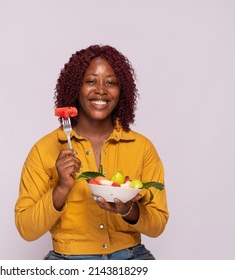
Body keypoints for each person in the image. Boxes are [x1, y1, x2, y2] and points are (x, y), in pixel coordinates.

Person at [14, 45, 168, 260]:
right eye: (91, 81)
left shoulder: (142, 147)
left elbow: (157, 225)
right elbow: (27, 230)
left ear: (121, 92)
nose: (101, 90)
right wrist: (61, 188)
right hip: (69, 260)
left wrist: (127, 210)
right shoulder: (44, 149)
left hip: (131, 257)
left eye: (111, 82)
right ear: (75, 87)